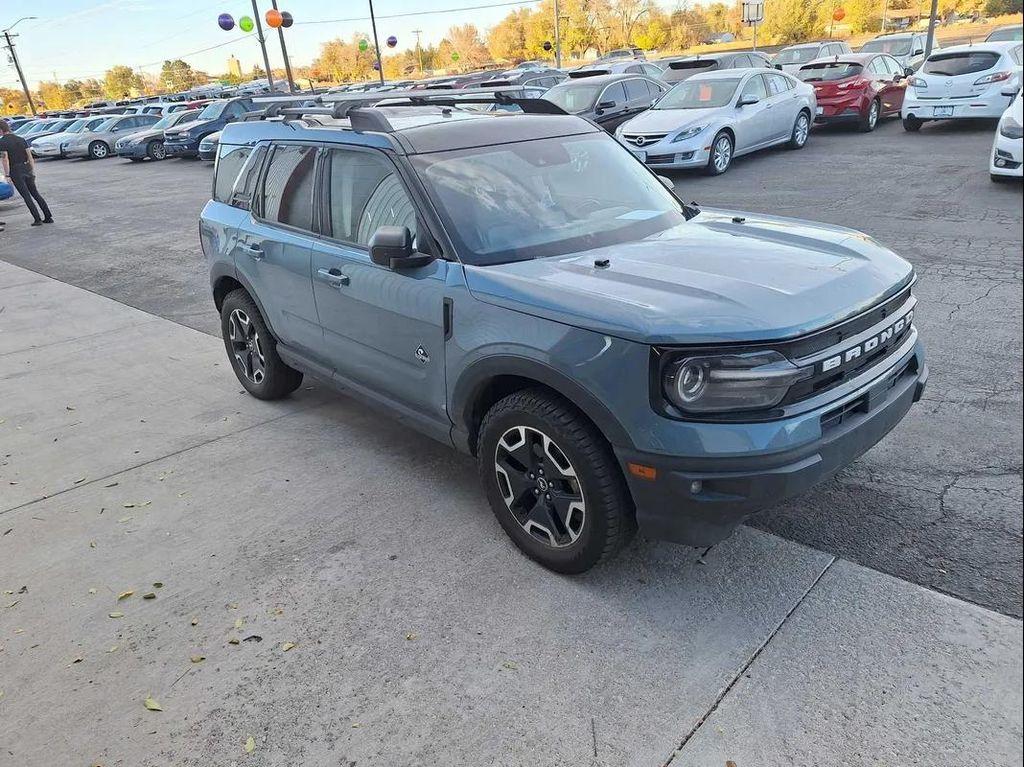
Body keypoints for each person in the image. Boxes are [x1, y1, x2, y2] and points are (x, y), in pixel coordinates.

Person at [0, 119, 53, 227]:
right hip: (27, 167)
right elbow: (29, 156)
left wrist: (7, 174)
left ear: (1, 130)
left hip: (15, 170)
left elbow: (5, 159)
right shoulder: (21, 139)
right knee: (35, 193)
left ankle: (37, 219)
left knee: (26, 196)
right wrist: (31, 169)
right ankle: (48, 216)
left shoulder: (2, 142)